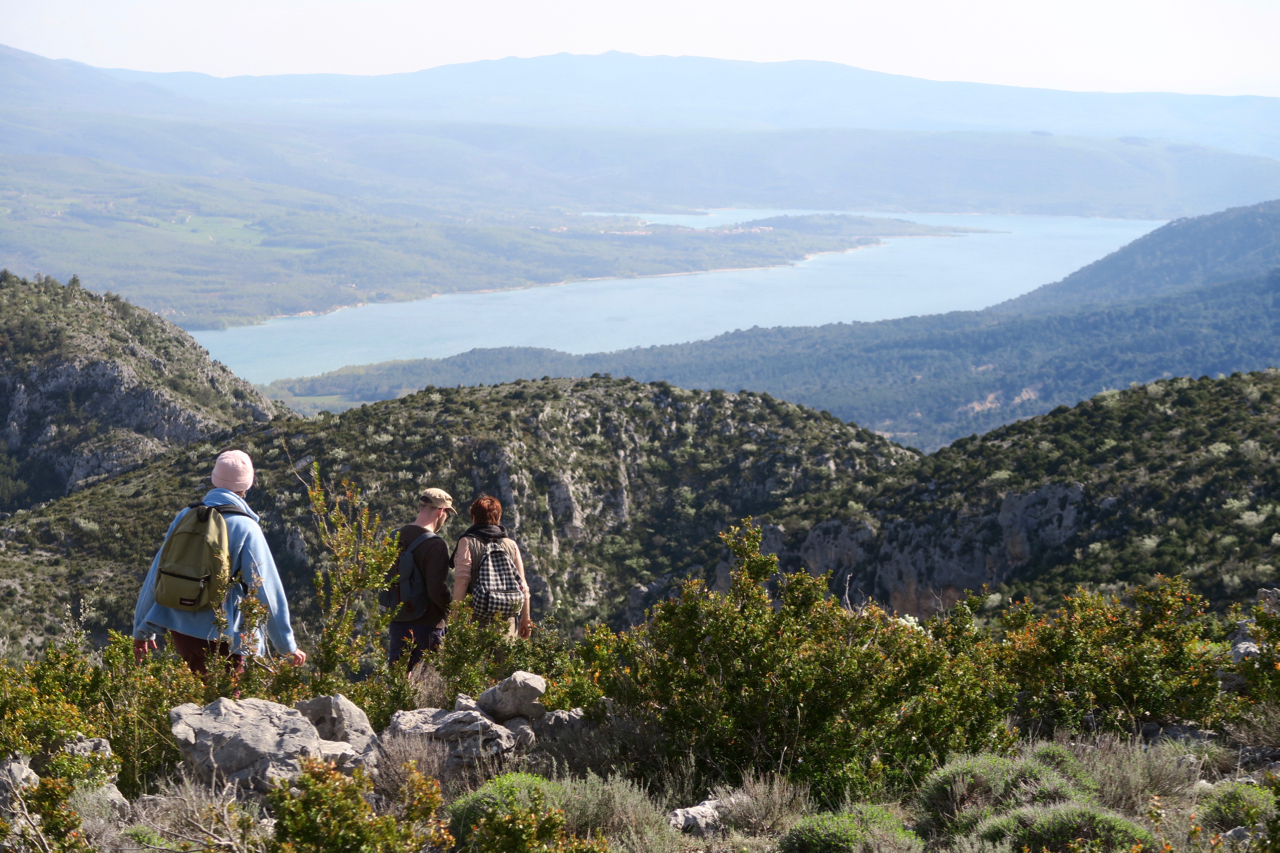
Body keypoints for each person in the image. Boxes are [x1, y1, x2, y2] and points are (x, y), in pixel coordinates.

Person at [132, 450, 306, 675]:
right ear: (248, 484)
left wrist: (141, 631)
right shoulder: (246, 527)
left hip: (181, 632)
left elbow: (156, 575)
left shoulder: (185, 516)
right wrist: (286, 645)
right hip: (223, 637)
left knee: (201, 691)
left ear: (214, 478)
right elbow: (266, 591)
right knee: (229, 695)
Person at [387, 488, 455, 670]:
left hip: (398, 619)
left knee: (397, 678)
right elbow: (436, 589)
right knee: (426, 679)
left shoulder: (395, 537)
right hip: (428, 625)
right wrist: (453, 609)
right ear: (441, 511)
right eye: (447, 515)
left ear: (419, 506)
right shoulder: (436, 545)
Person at [452, 494, 532, 639]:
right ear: (498, 517)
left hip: (474, 625)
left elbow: (462, 581)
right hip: (506, 627)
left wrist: (455, 619)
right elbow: (523, 586)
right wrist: (526, 620)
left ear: (474, 517)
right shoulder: (511, 545)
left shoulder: (467, 542)